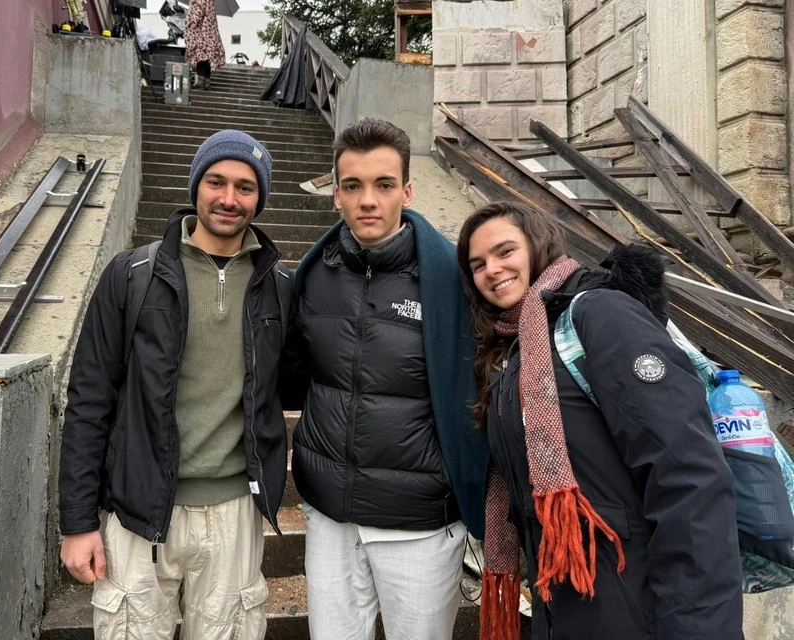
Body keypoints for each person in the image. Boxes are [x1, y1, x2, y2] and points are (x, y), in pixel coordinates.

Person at [457, 201, 744, 640]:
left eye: (505, 251)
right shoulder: (514, 351)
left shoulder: (600, 315)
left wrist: (700, 629)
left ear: (538, 245)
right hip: (566, 601)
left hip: (637, 603)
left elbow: (688, 474)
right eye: (478, 265)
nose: (492, 270)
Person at [58, 130, 291, 640]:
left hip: (234, 511)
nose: (229, 198)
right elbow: (90, 401)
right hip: (137, 511)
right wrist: (77, 522)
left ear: (260, 198)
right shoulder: (131, 274)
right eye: (216, 181)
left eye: (246, 187)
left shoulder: (278, 288)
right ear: (195, 186)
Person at [278, 118, 490, 640]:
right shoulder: (314, 274)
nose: (368, 200)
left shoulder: (452, 279)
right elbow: (294, 376)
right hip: (330, 518)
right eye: (353, 186)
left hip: (419, 526)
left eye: (384, 184)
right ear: (336, 194)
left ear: (407, 192)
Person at [184, 0, 225, 89]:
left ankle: (201, 79)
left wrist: (192, 23)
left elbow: (198, 12)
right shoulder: (210, 3)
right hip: (208, 33)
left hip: (200, 33)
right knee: (206, 56)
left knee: (200, 55)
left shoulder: (200, 1)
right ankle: (207, 80)